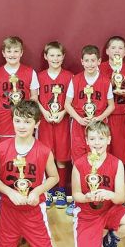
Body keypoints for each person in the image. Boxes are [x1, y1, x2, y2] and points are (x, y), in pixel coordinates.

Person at [0, 100, 59, 247]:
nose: (21, 126)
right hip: (9, 209)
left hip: (33, 210)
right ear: (12, 120)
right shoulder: (2, 148)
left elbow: (54, 177)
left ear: (36, 123)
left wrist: (37, 191)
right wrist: (10, 192)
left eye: (27, 122)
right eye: (17, 120)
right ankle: (19, 235)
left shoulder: (44, 150)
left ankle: (27, 235)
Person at [72, 121, 125, 247]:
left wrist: (108, 194)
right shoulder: (79, 164)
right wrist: (87, 197)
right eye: (92, 139)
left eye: (101, 138)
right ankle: (95, 236)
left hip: (110, 211)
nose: (97, 143)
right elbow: (76, 195)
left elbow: (120, 198)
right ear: (86, 141)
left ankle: (110, 240)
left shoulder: (116, 163)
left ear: (109, 140)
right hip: (88, 215)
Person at [64, 45, 115, 215]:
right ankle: (77, 199)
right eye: (87, 61)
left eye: (93, 60)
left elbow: (111, 106)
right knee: (79, 163)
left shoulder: (106, 80)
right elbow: (66, 104)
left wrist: (99, 118)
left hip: (98, 129)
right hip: (79, 127)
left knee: (98, 162)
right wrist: (78, 118)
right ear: (82, 61)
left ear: (99, 61)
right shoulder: (76, 79)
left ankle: (97, 197)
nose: (90, 64)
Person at [37, 41, 73, 209]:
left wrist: (62, 112)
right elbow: (34, 98)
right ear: (45, 57)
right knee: (47, 157)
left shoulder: (69, 76)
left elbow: (70, 101)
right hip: (45, 122)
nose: (55, 58)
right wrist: (44, 113)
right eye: (51, 55)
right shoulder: (40, 76)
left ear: (63, 57)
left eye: (58, 55)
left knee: (62, 158)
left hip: (62, 121)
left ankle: (61, 191)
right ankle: (49, 190)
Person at [0, 36, 39, 144]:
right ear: (3, 53)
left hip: (24, 122)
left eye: (16, 51)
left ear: (21, 53)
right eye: (9, 51)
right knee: (4, 157)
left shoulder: (30, 72)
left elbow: (34, 98)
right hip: (2, 123)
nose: (12, 54)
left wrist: (31, 117)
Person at [99, 36, 125, 165]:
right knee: (101, 150)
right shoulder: (99, 67)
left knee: (121, 152)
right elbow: (95, 91)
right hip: (103, 115)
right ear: (107, 51)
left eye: (120, 48)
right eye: (113, 47)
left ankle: (119, 182)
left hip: (122, 115)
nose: (117, 50)